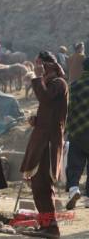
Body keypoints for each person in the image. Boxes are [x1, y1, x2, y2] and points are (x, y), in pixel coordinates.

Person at [20, 51, 68, 238]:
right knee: (37, 184)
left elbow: (46, 99)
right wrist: (36, 119)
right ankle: (45, 225)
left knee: (43, 184)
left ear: (48, 66)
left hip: (48, 142)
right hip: (41, 139)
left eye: (41, 66)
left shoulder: (59, 84)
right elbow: (48, 109)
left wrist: (37, 77)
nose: (40, 69)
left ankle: (52, 227)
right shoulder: (50, 85)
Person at [66, 57, 89, 210]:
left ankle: (74, 189)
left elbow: (70, 108)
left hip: (78, 130)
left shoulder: (75, 85)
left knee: (75, 162)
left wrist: (67, 128)